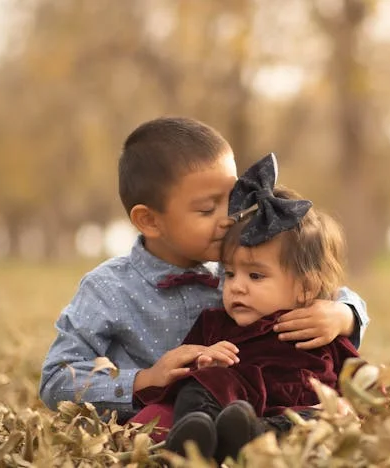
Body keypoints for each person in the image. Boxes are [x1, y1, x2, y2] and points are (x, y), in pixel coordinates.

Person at [38, 117, 369, 424]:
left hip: (255, 412)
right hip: (166, 422)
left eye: (232, 200)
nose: (227, 218)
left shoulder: (241, 266)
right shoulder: (107, 289)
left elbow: (314, 282)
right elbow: (56, 378)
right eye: (207, 209)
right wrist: (144, 379)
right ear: (150, 220)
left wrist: (343, 314)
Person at [132, 154, 359, 462]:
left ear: (305, 288)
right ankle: (190, 437)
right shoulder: (214, 322)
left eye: (255, 275)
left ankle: (248, 437)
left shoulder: (317, 323)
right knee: (197, 387)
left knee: (322, 418)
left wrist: (358, 403)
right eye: (228, 273)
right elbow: (182, 368)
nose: (236, 286)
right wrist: (202, 361)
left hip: (289, 411)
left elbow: (356, 374)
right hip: (227, 404)